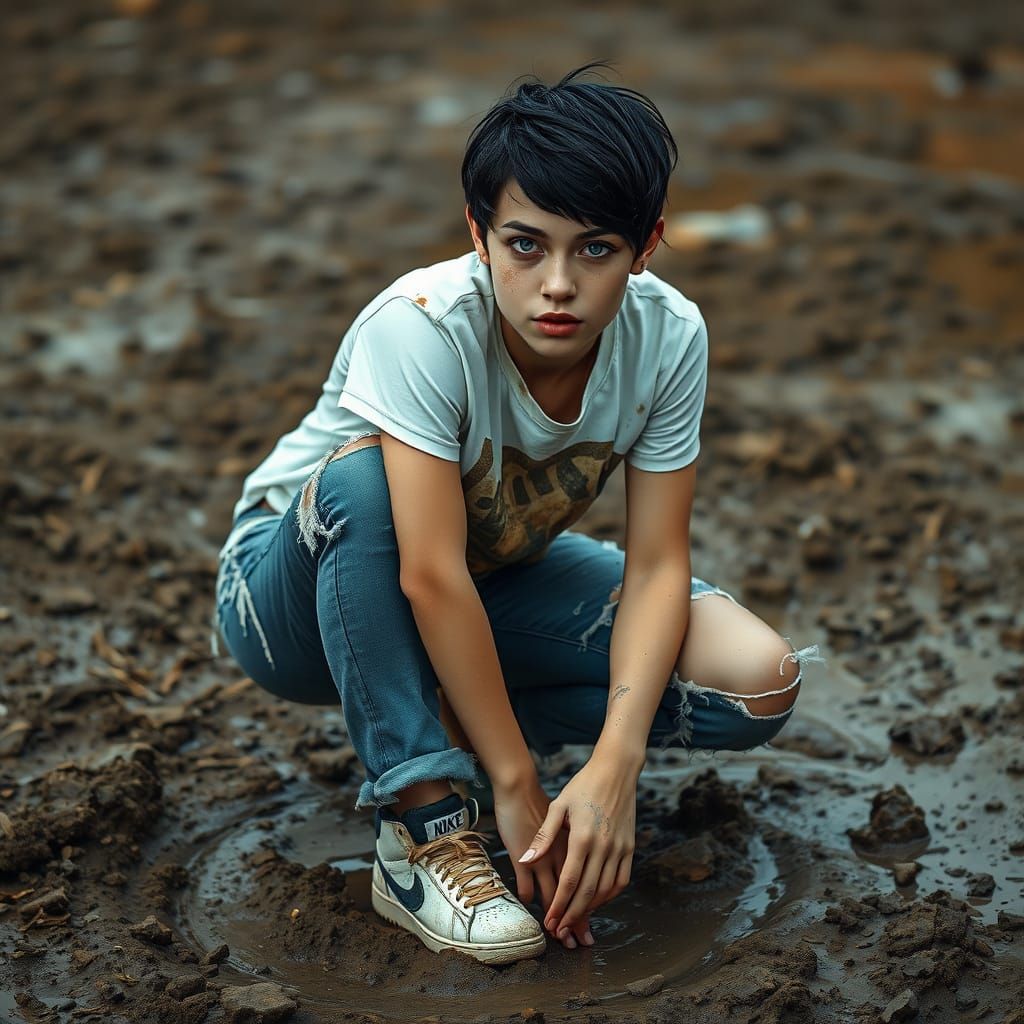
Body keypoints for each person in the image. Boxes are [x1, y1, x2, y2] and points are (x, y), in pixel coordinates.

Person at [213, 64, 821, 965]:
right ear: (479, 234)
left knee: (756, 680)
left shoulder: (670, 335)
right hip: (296, 596)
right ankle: (424, 830)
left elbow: (657, 564)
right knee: (363, 481)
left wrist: (615, 768)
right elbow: (423, 569)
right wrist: (516, 783)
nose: (559, 286)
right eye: (526, 246)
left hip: (492, 574)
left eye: (597, 249)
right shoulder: (420, 325)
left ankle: (453, 715)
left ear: (647, 244)